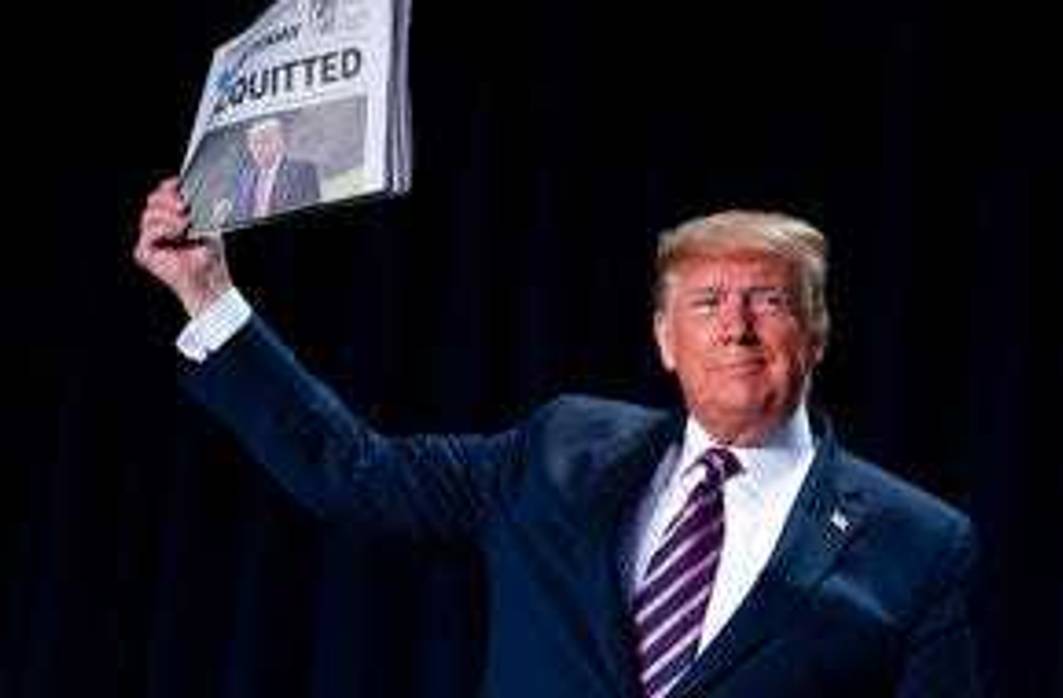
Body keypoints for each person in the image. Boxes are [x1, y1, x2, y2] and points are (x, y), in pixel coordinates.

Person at [135, 179, 981, 697]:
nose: (736, 328)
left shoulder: (917, 540)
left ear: (818, 331)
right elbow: (354, 472)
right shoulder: (562, 452)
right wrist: (207, 295)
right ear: (662, 340)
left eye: (766, 300)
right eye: (706, 303)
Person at [221, 117, 321, 225]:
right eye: (253, 143)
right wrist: (225, 217)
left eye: (264, 141)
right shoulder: (244, 179)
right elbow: (238, 216)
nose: (258, 148)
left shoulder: (303, 170)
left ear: (279, 143)